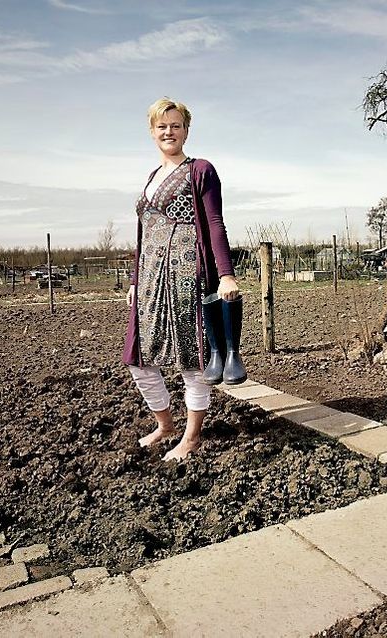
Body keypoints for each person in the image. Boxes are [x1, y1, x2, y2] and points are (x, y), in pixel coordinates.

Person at [122, 98, 241, 461]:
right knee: (138, 359)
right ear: (152, 132)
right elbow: (144, 234)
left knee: (192, 359)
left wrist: (225, 274)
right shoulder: (149, 178)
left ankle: (190, 437)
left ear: (186, 130)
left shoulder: (200, 170)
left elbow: (215, 222)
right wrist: (133, 279)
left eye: (175, 125)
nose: (168, 132)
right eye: (162, 126)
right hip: (149, 280)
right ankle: (165, 425)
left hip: (189, 274)